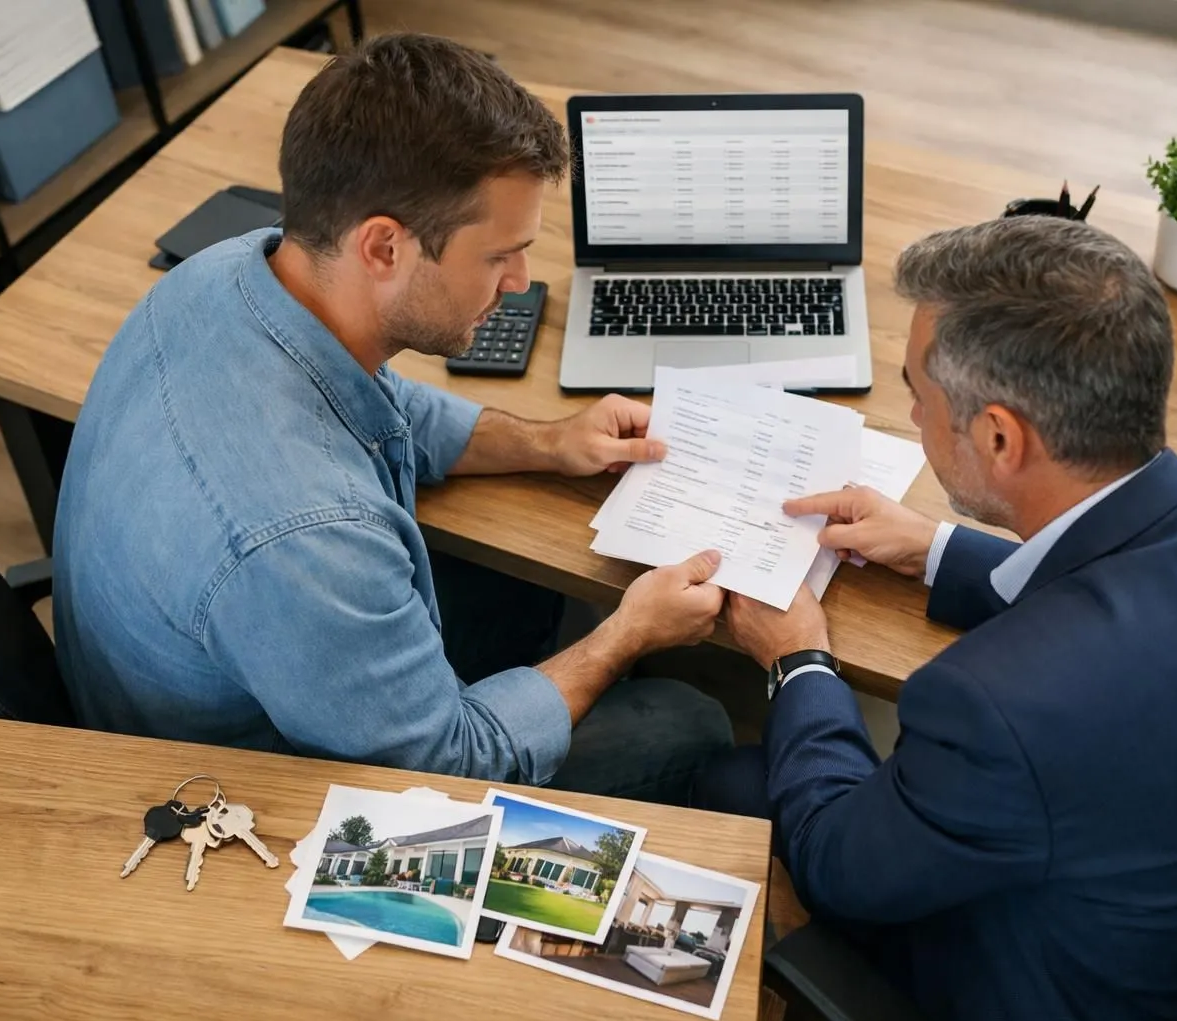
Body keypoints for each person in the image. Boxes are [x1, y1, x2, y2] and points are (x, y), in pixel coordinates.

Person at [693, 217, 1177, 1020]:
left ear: (1000, 435)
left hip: (1092, 994)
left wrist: (798, 658)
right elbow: (1148, 571)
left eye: (918, 394)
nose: (910, 416)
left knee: (735, 779)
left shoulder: (989, 706)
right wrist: (936, 550)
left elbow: (839, 867)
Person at [52, 33, 733, 804]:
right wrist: (627, 634)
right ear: (384, 246)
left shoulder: (229, 273)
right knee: (691, 721)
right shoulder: (306, 535)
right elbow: (448, 769)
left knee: (532, 588)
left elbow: (379, 400)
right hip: (249, 790)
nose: (520, 283)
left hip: (237, 659)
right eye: (498, 256)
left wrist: (549, 443)